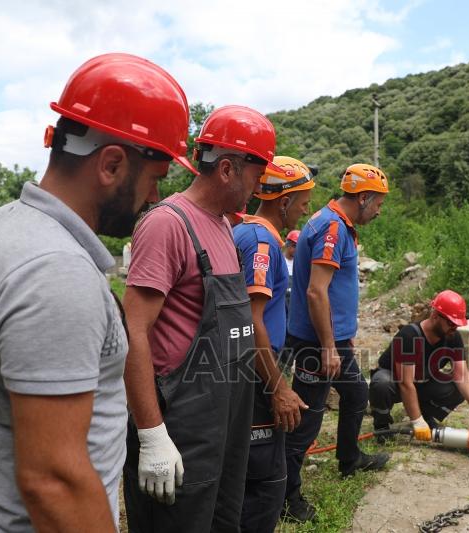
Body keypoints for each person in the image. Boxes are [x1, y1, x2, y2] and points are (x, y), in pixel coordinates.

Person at [0, 53, 193, 531]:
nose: (155, 198)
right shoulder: (56, 272)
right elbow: (55, 482)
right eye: (155, 179)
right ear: (111, 164)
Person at [122, 105, 281, 532]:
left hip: (225, 418)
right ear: (228, 168)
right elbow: (133, 332)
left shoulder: (224, 227)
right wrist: (152, 435)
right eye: (257, 173)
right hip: (183, 426)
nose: (260, 185)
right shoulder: (167, 225)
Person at [283, 163, 391, 522]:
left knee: (357, 393)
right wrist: (329, 346)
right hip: (318, 342)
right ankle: (286, 497)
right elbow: (316, 292)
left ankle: (349, 459)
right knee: (308, 420)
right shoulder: (331, 227)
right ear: (363, 198)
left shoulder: (336, 223)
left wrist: (343, 333)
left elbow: (334, 291)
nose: (379, 211)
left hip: (332, 337)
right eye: (377, 204)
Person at [233, 156, 315, 532]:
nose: (306, 209)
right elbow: (251, 320)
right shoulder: (260, 242)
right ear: (283, 201)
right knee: (265, 481)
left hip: (253, 368)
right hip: (254, 373)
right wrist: (279, 387)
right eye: (304, 201)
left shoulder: (250, 233)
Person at [369, 290, 469, 442]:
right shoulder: (409, 336)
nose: (454, 328)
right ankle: (382, 426)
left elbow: (462, 375)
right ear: (435, 316)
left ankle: (427, 416)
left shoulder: (452, 336)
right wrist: (416, 421)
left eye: (457, 324)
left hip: (422, 381)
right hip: (395, 382)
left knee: (457, 389)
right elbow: (406, 384)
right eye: (451, 323)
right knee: (381, 383)